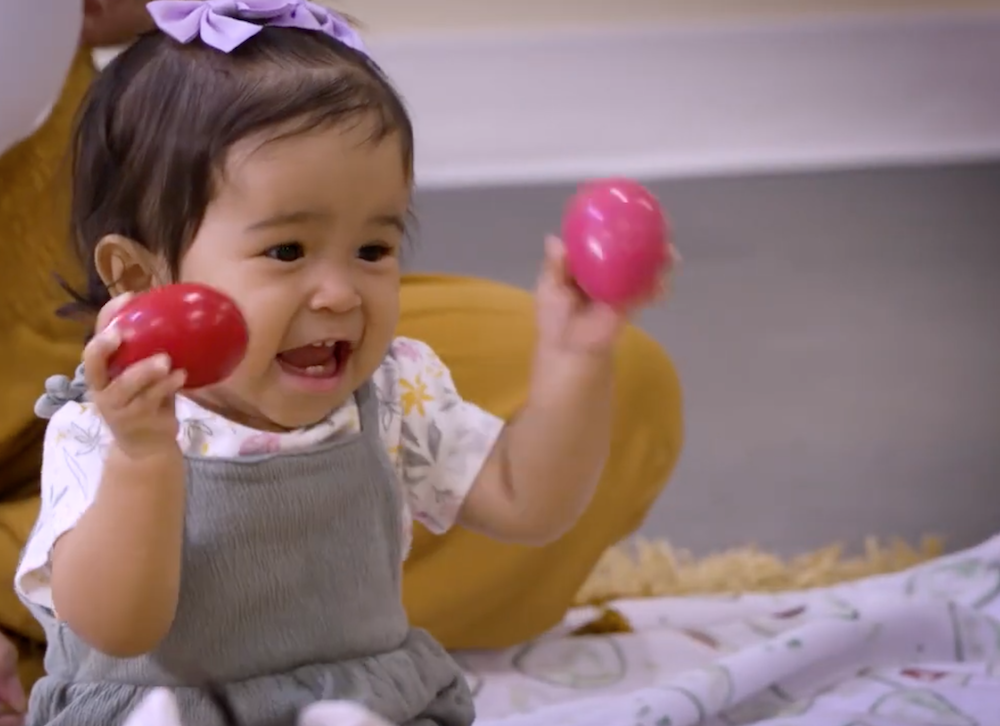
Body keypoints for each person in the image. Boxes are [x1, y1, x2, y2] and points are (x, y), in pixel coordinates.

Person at [0, 0, 683, 718]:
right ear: (140, 278)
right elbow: (116, 625)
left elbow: (528, 503)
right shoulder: (103, 429)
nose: (340, 293)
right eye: (286, 251)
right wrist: (143, 460)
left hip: (354, 699)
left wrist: (574, 359)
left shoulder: (392, 390)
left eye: (373, 250)